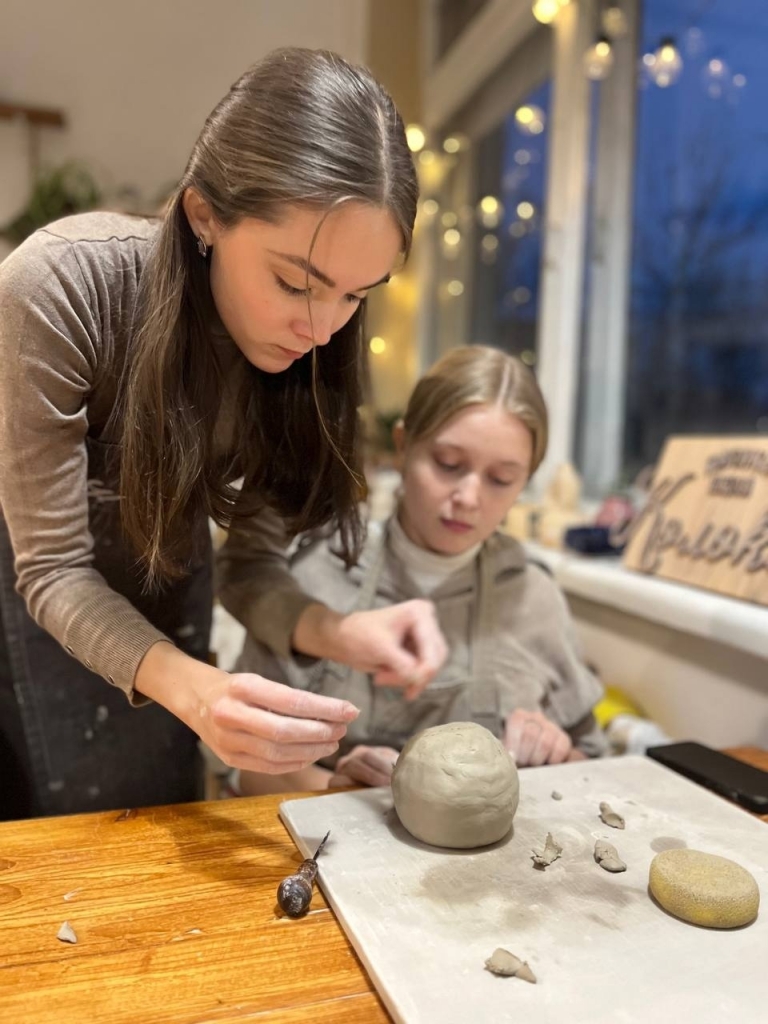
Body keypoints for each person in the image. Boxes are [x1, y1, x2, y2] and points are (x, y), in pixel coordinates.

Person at [0, 47, 447, 820]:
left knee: (167, 833)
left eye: (355, 296)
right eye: (294, 282)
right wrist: (196, 690)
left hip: (167, 591)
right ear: (203, 213)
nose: (320, 327)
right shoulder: (62, 287)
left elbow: (247, 569)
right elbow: (52, 573)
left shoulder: (312, 351)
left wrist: (341, 633)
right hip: (35, 598)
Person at [221, 346, 608, 796]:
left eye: (501, 479)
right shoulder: (317, 575)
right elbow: (247, 770)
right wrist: (334, 789)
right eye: (448, 464)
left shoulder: (533, 597)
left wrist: (556, 753)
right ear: (404, 446)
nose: (468, 497)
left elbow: (592, 764)